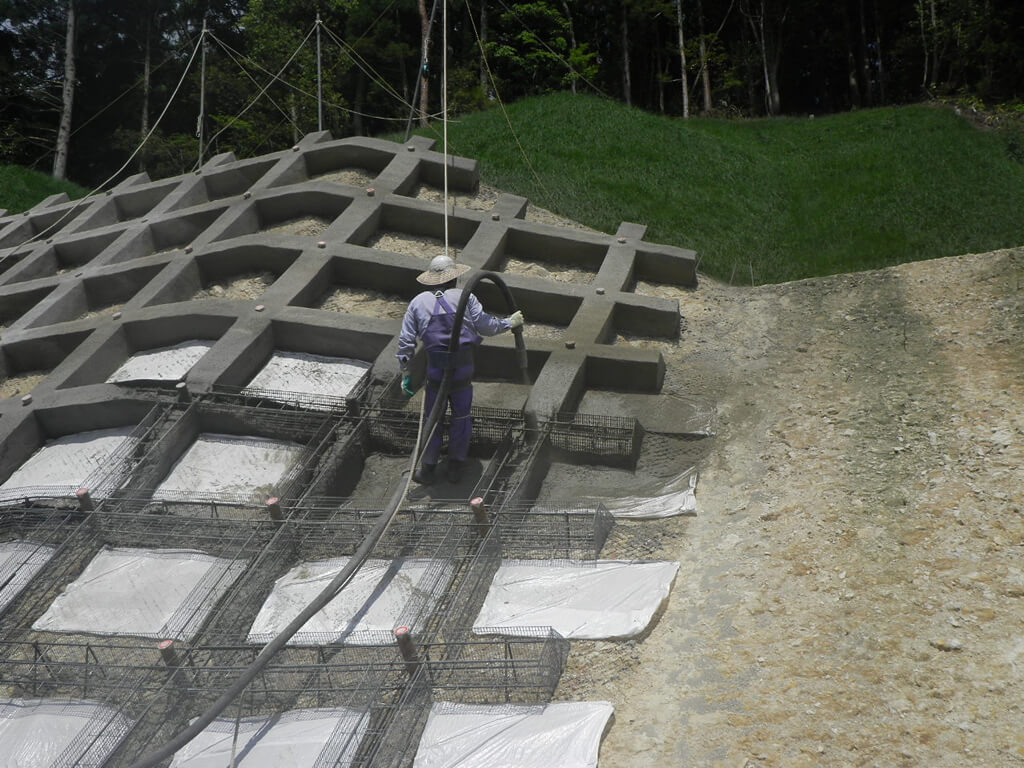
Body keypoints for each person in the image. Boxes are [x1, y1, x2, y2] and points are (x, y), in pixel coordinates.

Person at [397, 254, 524, 484]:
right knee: (461, 416)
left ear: (432, 279)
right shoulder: (466, 297)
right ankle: (455, 466)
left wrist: (405, 373)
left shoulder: (417, 302)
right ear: (454, 278)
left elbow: (406, 342)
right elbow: (486, 326)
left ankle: (427, 469)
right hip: (462, 368)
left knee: (432, 417)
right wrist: (509, 322)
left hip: (436, 369)